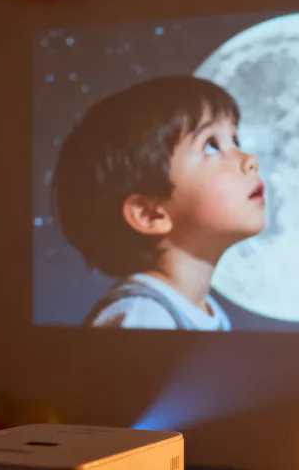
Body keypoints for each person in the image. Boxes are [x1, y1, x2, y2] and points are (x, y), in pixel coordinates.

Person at [54, 75, 265, 330]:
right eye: (211, 145)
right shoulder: (143, 317)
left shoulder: (208, 313)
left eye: (235, 141)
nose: (250, 159)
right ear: (150, 214)